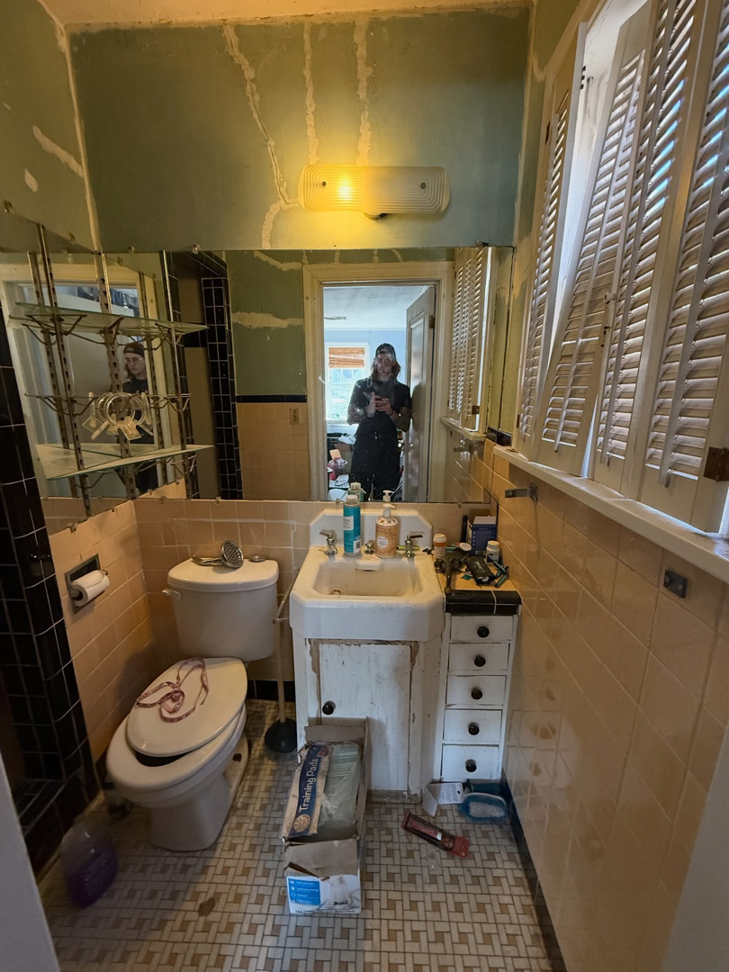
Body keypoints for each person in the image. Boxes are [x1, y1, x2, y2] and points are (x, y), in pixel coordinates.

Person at [347, 343, 412, 499]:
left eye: (388, 359)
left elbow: (405, 425)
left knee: (385, 497)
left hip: (388, 450)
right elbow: (349, 418)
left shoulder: (402, 390)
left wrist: (390, 412)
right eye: (380, 359)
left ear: (394, 362)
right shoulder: (361, 386)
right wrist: (367, 411)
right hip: (364, 447)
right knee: (357, 495)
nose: (383, 364)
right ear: (374, 362)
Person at [122, 341, 156, 494]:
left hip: (154, 440)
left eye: (135, 359)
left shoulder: (157, 384)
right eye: (128, 360)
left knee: (155, 484)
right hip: (134, 441)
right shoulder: (126, 387)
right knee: (141, 488)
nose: (131, 364)